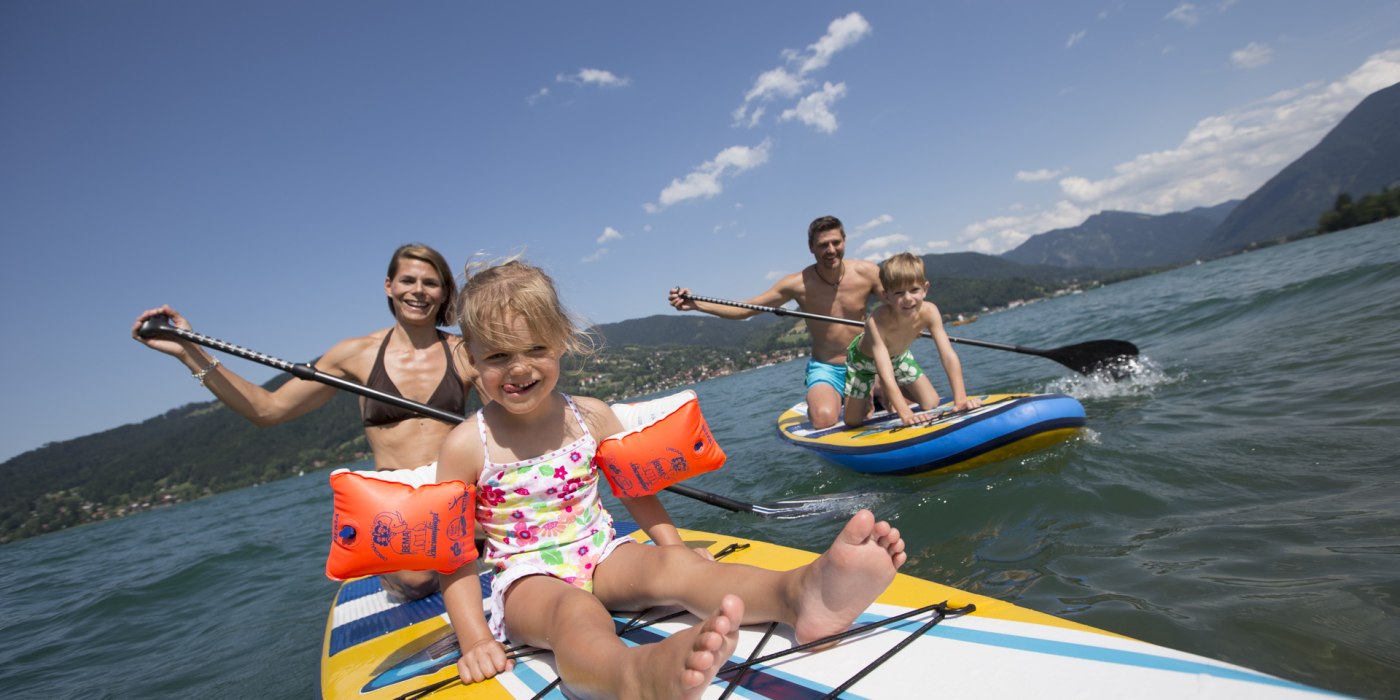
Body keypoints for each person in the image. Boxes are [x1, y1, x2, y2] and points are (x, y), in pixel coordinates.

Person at [440, 259, 907, 699]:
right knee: (573, 612)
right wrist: (476, 638)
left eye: (536, 349)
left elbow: (636, 492)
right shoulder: (466, 445)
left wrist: (674, 550)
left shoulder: (590, 417)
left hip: (600, 553)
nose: (519, 368)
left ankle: (798, 595)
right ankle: (635, 676)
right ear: (470, 356)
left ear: (561, 340)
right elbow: (452, 554)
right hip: (526, 580)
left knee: (678, 570)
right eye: (498, 355)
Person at [131, 243, 479, 601]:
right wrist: (189, 352)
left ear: (444, 292)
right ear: (389, 286)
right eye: (408, 280)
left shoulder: (464, 352)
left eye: (430, 282)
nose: (418, 291)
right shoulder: (355, 354)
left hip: (456, 489)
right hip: (397, 503)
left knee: (482, 539)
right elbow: (267, 410)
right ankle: (399, 567)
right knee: (418, 580)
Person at [669, 215, 882, 429]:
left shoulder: (868, 273)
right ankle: (825, 398)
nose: (831, 250)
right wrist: (696, 304)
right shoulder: (797, 284)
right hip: (828, 369)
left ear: (844, 240)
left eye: (836, 242)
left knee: (898, 398)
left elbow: (897, 302)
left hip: (868, 361)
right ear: (811, 247)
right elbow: (745, 309)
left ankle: (863, 395)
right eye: (823, 245)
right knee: (823, 419)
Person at [843, 252, 982, 428]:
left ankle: (887, 392)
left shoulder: (930, 312)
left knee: (931, 403)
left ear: (925, 289)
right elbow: (885, 371)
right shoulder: (876, 321)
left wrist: (960, 399)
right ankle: (877, 389)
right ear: (886, 296)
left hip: (898, 356)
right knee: (853, 421)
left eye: (914, 290)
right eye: (899, 293)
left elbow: (948, 356)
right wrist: (906, 414)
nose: (908, 298)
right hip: (863, 363)